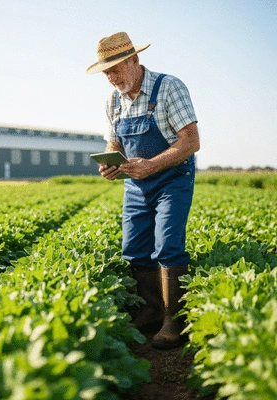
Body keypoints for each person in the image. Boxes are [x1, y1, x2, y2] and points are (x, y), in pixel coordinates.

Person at [86, 32, 200, 349]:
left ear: (135, 60)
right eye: (106, 72)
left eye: (116, 68)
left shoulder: (168, 88)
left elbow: (191, 142)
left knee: (167, 246)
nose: (111, 77)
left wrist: (152, 165)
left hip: (172, 178)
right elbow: (114, 142)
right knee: (135, 247)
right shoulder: (113, 100)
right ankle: (150, 310)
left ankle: (173, 321)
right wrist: (110, 162)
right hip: (137, 183)